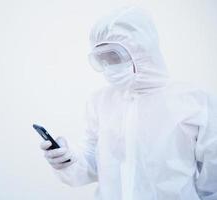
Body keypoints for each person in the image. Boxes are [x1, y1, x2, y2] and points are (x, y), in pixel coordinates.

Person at [40, 6, 217, 200]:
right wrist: (68, 161)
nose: (108, 67)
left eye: (114, 56)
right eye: (102, 59)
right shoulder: (100, 101)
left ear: (142, 49)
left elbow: (213, 177)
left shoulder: (194, 102)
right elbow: (93, 162)